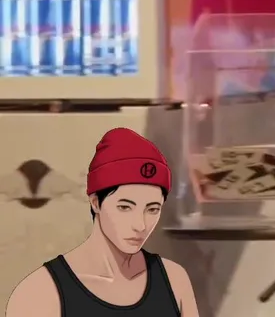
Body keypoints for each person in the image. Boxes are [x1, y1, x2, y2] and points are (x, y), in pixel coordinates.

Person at [4, 128, 199, 316]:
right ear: (96, 203)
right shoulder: (40, 293)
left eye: (152, 209)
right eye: (125, 207)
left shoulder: (174, 280)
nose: (140, 225)